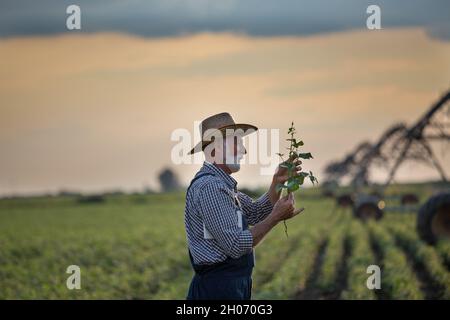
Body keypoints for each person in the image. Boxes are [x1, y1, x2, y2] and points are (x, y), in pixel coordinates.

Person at [184, 112, 304, 300]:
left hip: (230, 287)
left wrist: (276, 182)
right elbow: (236, 245)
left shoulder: (222, 186)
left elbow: (256, 213)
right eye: (237, 143)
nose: (243, 151)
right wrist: (275, 218)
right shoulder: (211, 188)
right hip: (217, 291)